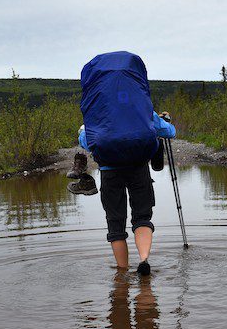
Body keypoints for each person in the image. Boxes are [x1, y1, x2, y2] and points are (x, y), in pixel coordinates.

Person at [68, 52, 176, 276]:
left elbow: (86, 141)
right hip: (139, 170)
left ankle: (122, 274)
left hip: (110, 173)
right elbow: (170, 132)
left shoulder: (97, 115)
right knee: (142, 217)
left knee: (115, 225)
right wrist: (165, 121)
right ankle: (144, 260)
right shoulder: (142, 110)